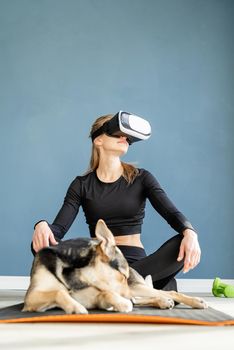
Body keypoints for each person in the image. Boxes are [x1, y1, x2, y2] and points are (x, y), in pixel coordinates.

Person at [32, 113, 201, 291]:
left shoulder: (142, 178)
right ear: (98, 140)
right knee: (41, 242)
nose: (124, 138)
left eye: (126, 135)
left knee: (184, 239)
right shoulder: (81, 185)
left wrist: (190, 232)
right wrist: (41, 225)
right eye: (117, 132)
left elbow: (172, 214)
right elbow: (57, 231)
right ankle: (138, 288)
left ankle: (109, 287)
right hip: (100, 262)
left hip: (137, 262)